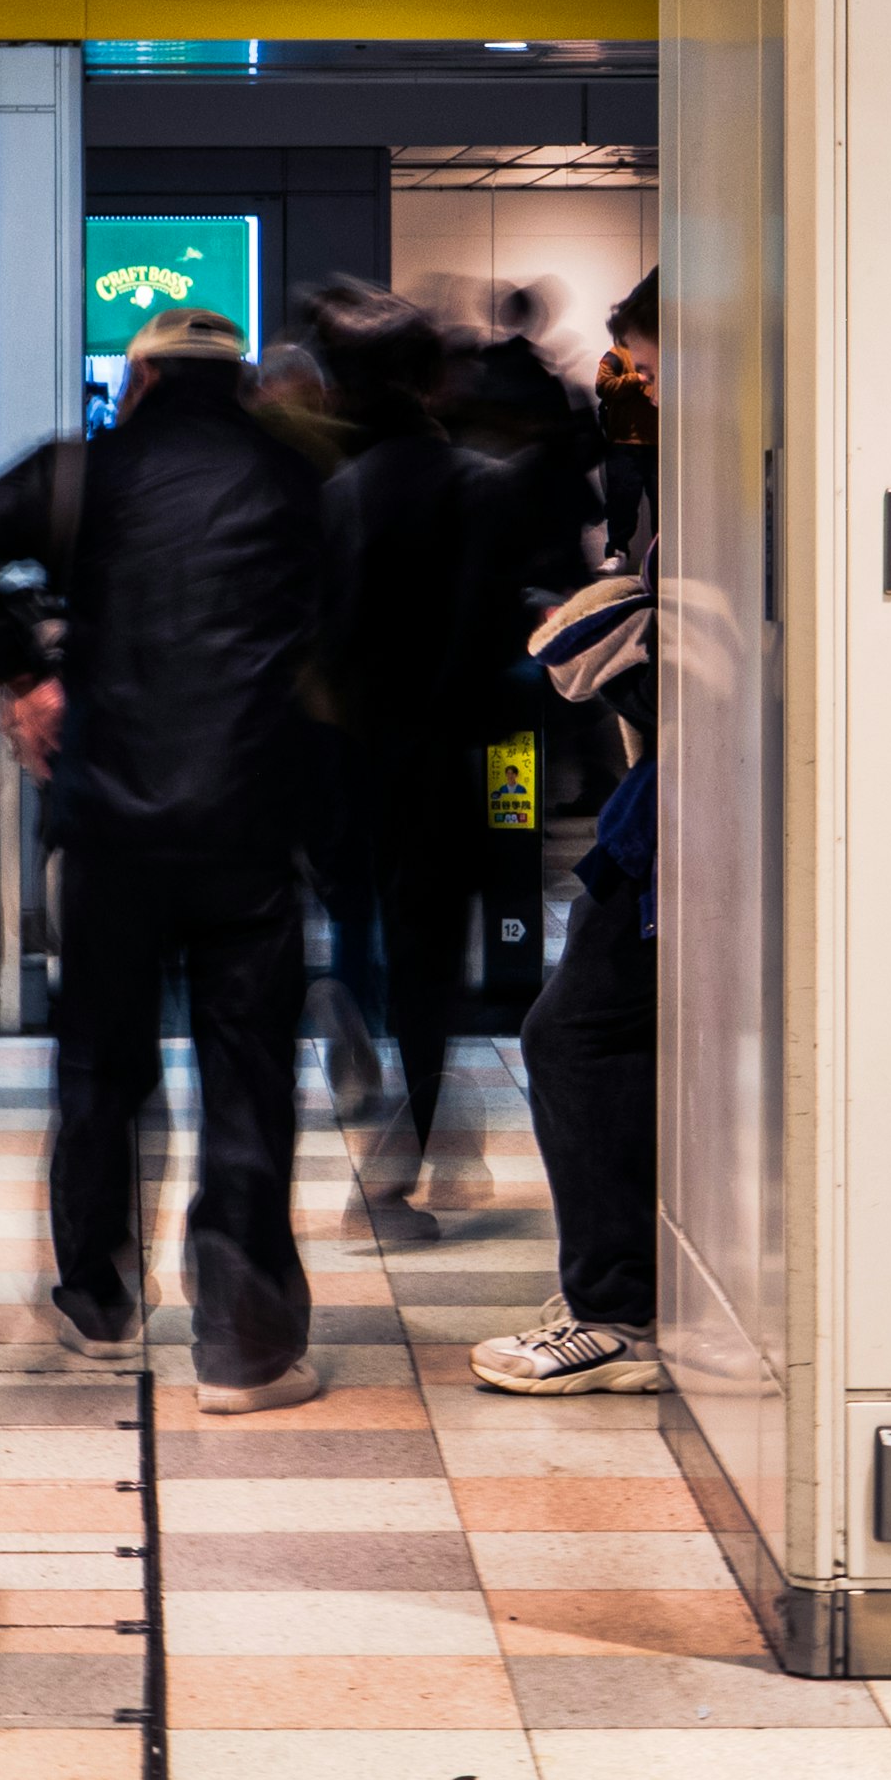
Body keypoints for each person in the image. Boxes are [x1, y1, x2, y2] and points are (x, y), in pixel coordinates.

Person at [0, 307, 329, 1416]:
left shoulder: (85, 471)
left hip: (110, 818)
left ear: (146, 376)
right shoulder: (299, 479)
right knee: (249, 1074)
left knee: (101, 1064)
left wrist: (24, 667)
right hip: (253, 825)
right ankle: (246, 1344)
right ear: (242, 381)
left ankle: (97, 1300)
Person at [313, 284, 503, 1227]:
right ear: (430, 379)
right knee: (434, 963)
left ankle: (417, 1135)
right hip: (449, 758)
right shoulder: (476, 486)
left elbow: (326, 639)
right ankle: (419, 1143)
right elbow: (492, 640)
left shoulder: (340, 497)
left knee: (374, 937)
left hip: (358, 761)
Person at [471, 554, 665, 1395]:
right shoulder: (657, 474)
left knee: (574, 1034)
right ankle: (629, 1290)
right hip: (659, 817)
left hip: (672, 819)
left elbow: (587, 650)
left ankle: (619, 1312)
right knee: (590, 1034)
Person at [595, 272, 659, 567]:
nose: (654, 396)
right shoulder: (616, 355)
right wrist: (637, 378)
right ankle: (617, 551)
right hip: (624, 442)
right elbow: (603, 387)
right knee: (622, 502)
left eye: (657, 376)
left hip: (656, 441)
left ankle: (661, 556)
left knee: (663, 504)